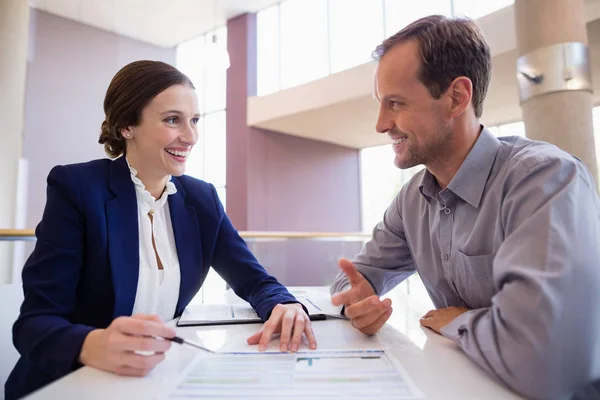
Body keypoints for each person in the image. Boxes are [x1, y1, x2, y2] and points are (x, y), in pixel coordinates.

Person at [6, 60, 317, 400]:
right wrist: (91, 344)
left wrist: (283, 305)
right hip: (70, 384)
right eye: (173, 120)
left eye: (195, 120)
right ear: (127, 125)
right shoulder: (78, 189)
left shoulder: (202, 199)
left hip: (154, 382)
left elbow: (254, 280)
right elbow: (34, 325)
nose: (191, 136)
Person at [330, 15, 600, 400]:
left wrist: (460, 322)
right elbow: (352, 279)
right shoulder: (413, 200)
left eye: (396, 103)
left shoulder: (544, 180)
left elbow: (547, 362)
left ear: (457, 97)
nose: (381, 124)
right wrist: (355, 303)